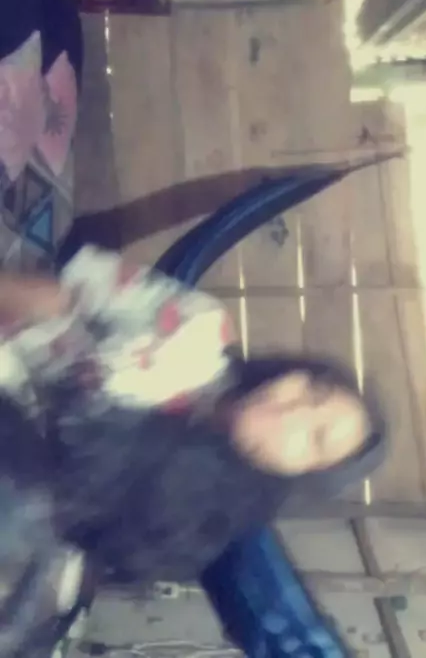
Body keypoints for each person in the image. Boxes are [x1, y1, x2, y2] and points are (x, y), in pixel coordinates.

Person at [0, 248, 385, 658]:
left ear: (299, 475)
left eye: (315, 438)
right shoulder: (197, 329)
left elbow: (85, 543)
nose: (294, 411)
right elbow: (54, 296)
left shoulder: (196, 522)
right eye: (313, 390)